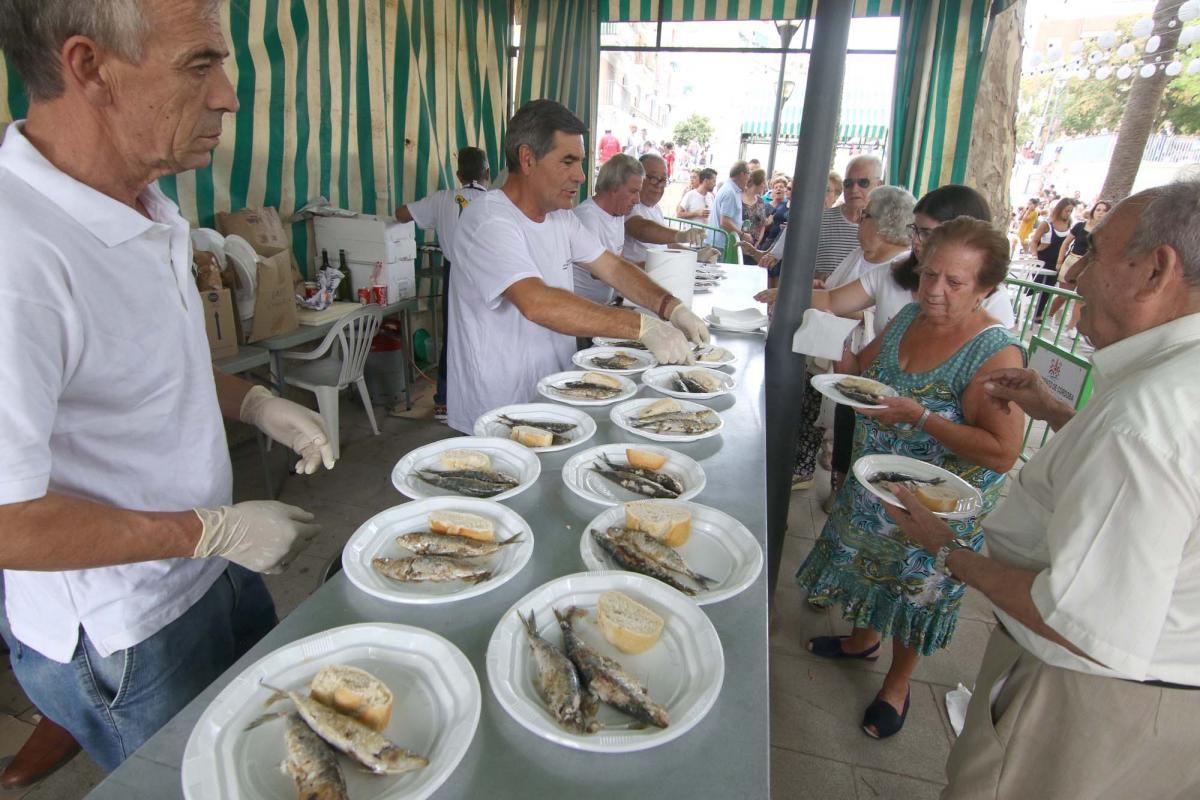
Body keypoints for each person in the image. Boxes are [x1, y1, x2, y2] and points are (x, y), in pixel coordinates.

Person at [0, 0, 333, 772]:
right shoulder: (18, 259)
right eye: (199, 64)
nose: (228, 96)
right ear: (89, 67)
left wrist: (252, 401)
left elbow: (151, 364)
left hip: (210, 571)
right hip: (131, 626)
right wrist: (207, 530)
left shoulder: (144, 197)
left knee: (265, 757)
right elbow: (10, 523)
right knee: (193, 780)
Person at [885, 182, 1200, 798]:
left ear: (1156, 269)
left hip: (1089, 696)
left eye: (1097, 251)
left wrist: (949, 550)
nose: (1076, 270)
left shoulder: (1146, 418)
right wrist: (1056, 411)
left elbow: (1079, 622)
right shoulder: (1170, 386)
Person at [795, 218, 1026, 739]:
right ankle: (861, 641)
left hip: (932, 507)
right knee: (871, 568)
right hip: (878, 482)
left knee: (914, 591)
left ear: (987, 288)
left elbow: (1003, 453)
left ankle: (897, 685)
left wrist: (922, 418)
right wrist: (832, 339)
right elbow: (863, 372)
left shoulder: (995, 352)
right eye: (929, 276)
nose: (936, 292)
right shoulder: (908, 319)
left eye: (955, 283)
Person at [446, 101, 707, 433]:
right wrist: (642, 327)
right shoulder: (488, 220)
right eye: (567, 162)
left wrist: (671, 307)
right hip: (498, 409)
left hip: (551, 393)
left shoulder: (559, 216)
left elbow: (612, 267)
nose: (581, 176)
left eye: (581, 163)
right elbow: (536, 302)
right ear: (527, 159)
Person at [393, 147, 490, 421]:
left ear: (458, 175)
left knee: (454, 335)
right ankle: (486, 401)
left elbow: (401, 214)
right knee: (489, 335)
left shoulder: (442, 199)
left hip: (455, 273)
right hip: (489, 273)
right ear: (487, 173)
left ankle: (445, 402)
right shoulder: (497, 201)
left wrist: (440, 215)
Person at [571, 154, 644, 306]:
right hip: (581, 308)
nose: (637, 199)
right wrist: (652, 265)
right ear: (614, 187)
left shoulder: (618, 213)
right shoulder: (587, 216)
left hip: (606, 303)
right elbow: (599, 271)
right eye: (633, 191)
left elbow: (620, 258)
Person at [623, 153, 708, 267]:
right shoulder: (628, 204)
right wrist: (681, 235)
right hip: (636, 276)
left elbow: (668, 244)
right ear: (638, 177)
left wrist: (695, 255)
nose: (658, 185)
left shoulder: (656, 208)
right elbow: (642, 230)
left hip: (658, 272)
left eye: (663, 180)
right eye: (653, 178)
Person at [1046, 199, 1111, 328]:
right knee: (1063, 295)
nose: (1101, 213)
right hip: (1073, 261)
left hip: (1090, 265)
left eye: (1104, 211)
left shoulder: (1107, 231)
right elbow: (1066, 243)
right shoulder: (1080, 226)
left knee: (1081, 299)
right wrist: (1060, 261)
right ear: (1093, 211)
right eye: (1098, 210)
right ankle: (1049, 315)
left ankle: (1072, 327)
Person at [707, 160, 750, 249]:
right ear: (742, 174)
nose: (749, 177)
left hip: (719, 243)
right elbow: (725, 222)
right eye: (748, 173)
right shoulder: (730, 192)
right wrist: (742, 235)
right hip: (720, 245)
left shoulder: (731, 189)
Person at [759, 176, 790, 253]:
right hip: (766, 240)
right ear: (772, 190)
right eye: (776, 187)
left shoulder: (788, 205)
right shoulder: (766, 206)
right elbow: (763, 225)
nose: (778, 189)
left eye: (781, 187)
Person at [741, 169, 769, 248]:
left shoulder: (760, 201)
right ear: (758, 182)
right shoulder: (739, 197)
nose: (765, 186)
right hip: (737, 242)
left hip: (753, 245)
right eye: (763, 182)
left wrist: (758, 241)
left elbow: (763, 224)